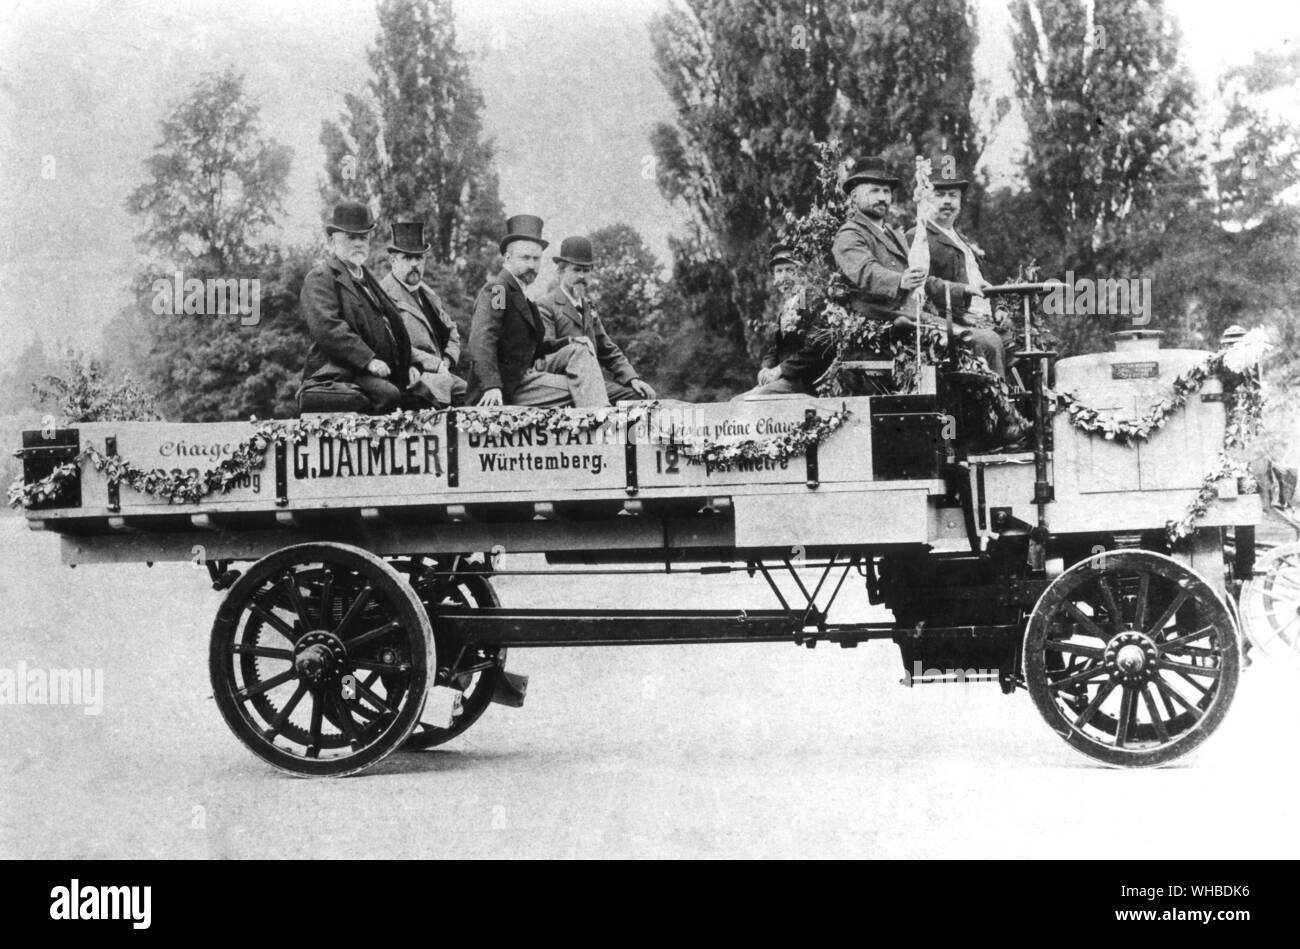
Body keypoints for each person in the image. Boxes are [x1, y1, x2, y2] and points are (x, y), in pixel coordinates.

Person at [830, 156, 1005, 375]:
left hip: (913, 316)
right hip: (884, 320)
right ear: (854, 196)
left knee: (991, 339)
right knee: (984, 341)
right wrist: (900, 280)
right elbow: (865, 271)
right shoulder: (850, 234)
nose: (883, 197)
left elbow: (923, 279)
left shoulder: (894, 234)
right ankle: (994, 407)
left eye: (886, 192)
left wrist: (963, 289)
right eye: (874, 191)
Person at [466, 215, 609, 407]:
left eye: (536, 259)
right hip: (506, 386)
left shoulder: (524, 297)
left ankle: (599, 418)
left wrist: (571, 341)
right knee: (584, 388)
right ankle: (602, 426)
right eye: (525, 257)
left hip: (525, 376)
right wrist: (491, 386)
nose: (532, 265)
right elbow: (482, 339)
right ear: (508, 258)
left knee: (581, 350)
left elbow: (537, 348)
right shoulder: (499, 290)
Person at [298, 201, 418, 415]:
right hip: (337, 373)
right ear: (333, 240)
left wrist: (410, 364)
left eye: (363, 237)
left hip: (378, 375)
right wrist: (368, 359)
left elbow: (392, 328)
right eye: (351, 237)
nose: (358, 244)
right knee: (389, 396)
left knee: (424, 397)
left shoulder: (368, 279)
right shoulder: (321, 277)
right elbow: (328, 328)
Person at [905, 171, 1016, 380]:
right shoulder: (918, 236)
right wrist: (962, 290)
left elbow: (982, 282)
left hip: (979, 319)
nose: (947, 201)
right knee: (990, 342)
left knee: (1026, 344)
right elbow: (922, 282)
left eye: (953, 195)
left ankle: (1028, 406)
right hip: (944, 320)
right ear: (926, 199)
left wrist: (998, 307)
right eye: (940, 195)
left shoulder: (962, 240)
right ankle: (997, 407)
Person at [536, 236, 656, 404]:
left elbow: (608, 349)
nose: (582, 276)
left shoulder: (588, 308)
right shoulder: (546, 305)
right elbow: (545, 354)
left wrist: (632, 379)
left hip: (593, 385)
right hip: (562, 387)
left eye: (586, 271)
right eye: (576, 270)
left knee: (638, 397)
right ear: (560, 272)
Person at [379, 221, 468, 409]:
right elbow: (390, 343)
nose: (414, 264)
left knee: (476, 395)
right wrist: (434, 364)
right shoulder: (383, 295)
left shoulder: (428, 295)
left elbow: (452, 331)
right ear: (392, 260)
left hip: (441, 373)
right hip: (410, 374)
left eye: (419, 258)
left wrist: (447, 361)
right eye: (407, 258)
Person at [735, 243, 830, 399]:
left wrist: (780, 370)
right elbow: (776, 348)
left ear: (801, 273)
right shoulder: (787, 308)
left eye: (789, 270)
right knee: (736, 401)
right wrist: (766, 368)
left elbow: (814, 351)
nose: (784, 276)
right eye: (779, 271)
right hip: (783, 380)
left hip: (805, 380)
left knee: (757, 398)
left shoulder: (814, 303)